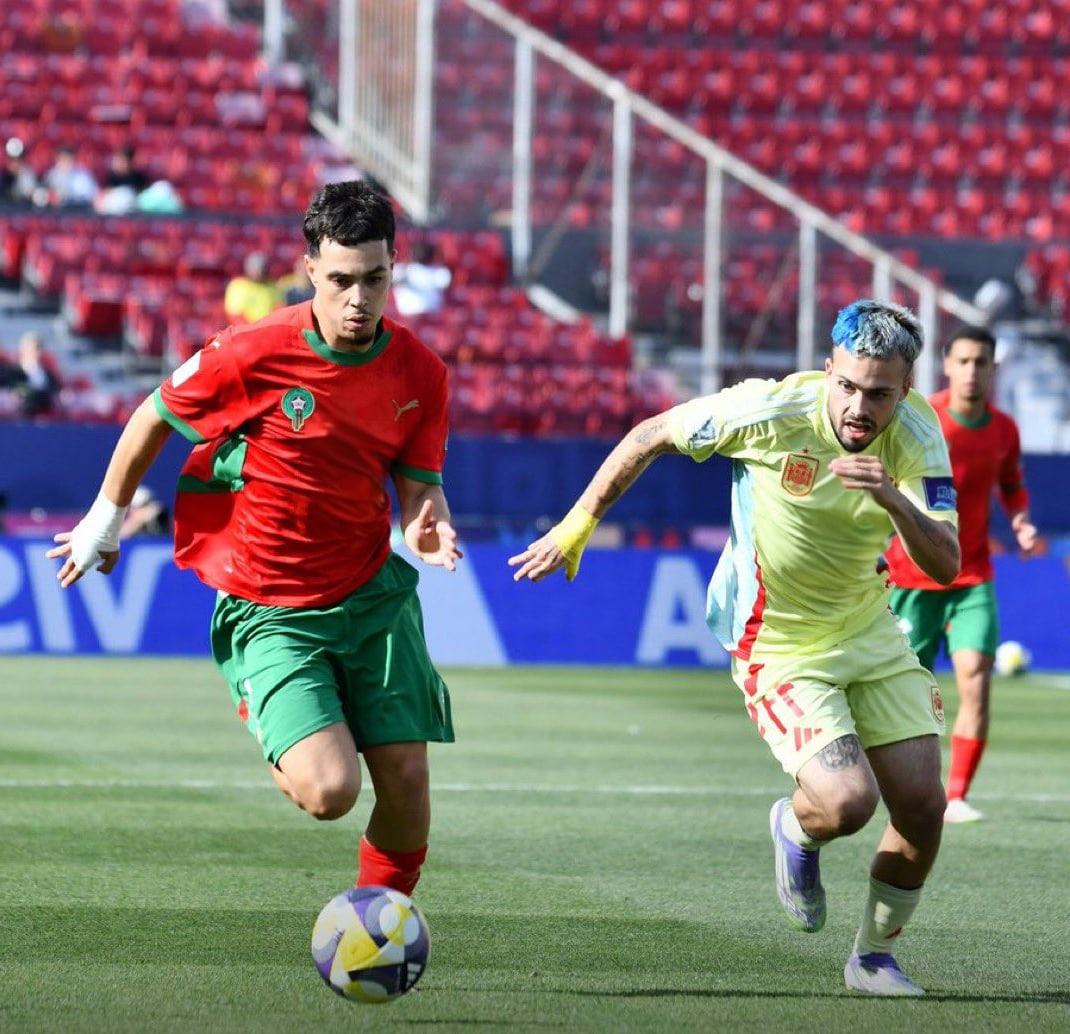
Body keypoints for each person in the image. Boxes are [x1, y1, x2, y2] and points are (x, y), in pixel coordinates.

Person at [510, 300, 960, 997]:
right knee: (845, 804)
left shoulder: (920, 432)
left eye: (879, 393)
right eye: (847, 385)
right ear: (828, 369)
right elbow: (653, 433)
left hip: (870, 630)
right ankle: (798, 829)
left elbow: (945, 562)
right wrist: (577, 524)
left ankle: (871, 958)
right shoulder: (769, 412)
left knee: (924, 808)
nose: (859, 408)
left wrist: (896, 501)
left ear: (905, 390)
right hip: (778, 641)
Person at [48, 180, 462, 898]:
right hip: (271, 606)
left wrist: (429, 519)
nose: (358, 300)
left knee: (406, 779)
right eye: (341, 281)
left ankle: (379, 929)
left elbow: (419, 487)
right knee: (331, 792)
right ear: (310, 271)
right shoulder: (254, 351)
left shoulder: (421, 373)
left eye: (375, 279)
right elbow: (152, 417)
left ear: (394, 266)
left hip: (372, 597)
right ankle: (263, 700)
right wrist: (103, 520)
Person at [885, 325, 1038, 824]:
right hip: (913, 577)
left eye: (982, 363)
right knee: (904, 691)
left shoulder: (1004, 430)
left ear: (994, 369)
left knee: (976, 678)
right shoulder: (921, 421)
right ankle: (902, 788)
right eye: (964, 361)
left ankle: (955, 796)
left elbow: (1012, 484)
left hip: (972, 576)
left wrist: (1020, 519)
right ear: (947, 365)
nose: (973, 371)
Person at [391, 241, 451, 317]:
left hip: (431, 314)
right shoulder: (400, 269)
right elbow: (389, 283)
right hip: (410, 314)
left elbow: (447, 285)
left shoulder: (439, 271)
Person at [9, 331, 61, 417]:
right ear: (23, 349)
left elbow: (55, 391)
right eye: (33, 348)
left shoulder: (48, 373)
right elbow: (15, 391)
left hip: (46, 415)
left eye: (39, 348)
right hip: (22, 416)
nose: (37, 352)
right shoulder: (13, 372)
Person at [224, 251, 280, 324]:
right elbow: (234, 315)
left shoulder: (273, 287)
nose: (259, 273)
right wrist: (252, 330)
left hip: (269, 329)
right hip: (245, 331)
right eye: (255, 269)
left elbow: (279, 310)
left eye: (262, 269)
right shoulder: (238, 286)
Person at [0, 137, 38, 204]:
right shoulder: (3, 175)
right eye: (12, 159)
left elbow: (29, 195)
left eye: (17, 159)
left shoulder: (26, 175)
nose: (14, 163)